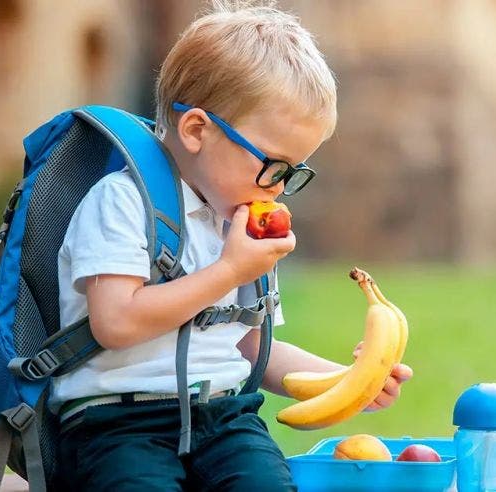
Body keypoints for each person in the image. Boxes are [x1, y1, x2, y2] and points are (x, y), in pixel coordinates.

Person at [50, 3, 413, 490]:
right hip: (117, 422)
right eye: (273, 165)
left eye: (292, 172)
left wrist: (351, 381)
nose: (278, 188)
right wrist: (228, 272)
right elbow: (114, 322)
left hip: (223, 417)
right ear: (197, 131)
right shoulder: (121, 202)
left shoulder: (239, 223)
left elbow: (250, 344)